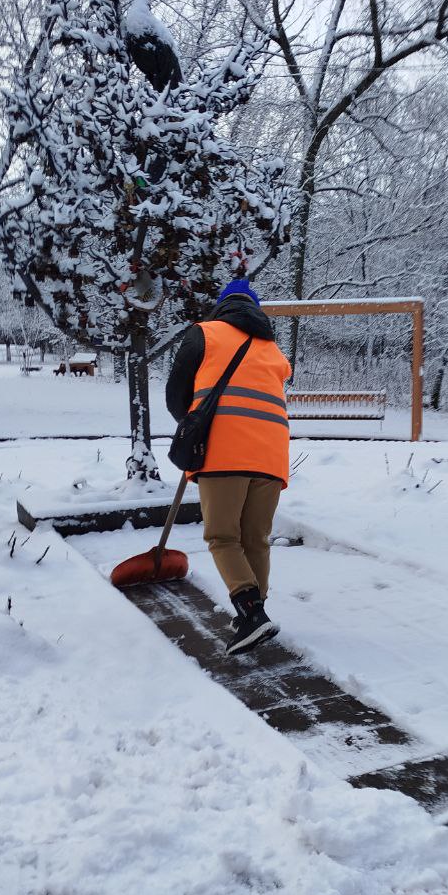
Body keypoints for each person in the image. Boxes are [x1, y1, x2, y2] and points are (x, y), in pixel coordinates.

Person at [166, 279, 292, 656]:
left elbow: (177, 393)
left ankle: (250, 613)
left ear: (222, 307)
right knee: (255, 538)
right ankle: (255, 613)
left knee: (222, 537)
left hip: (225, 450)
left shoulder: (204, 333)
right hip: (272, 453)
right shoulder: (272, 348)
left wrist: (193, 426)